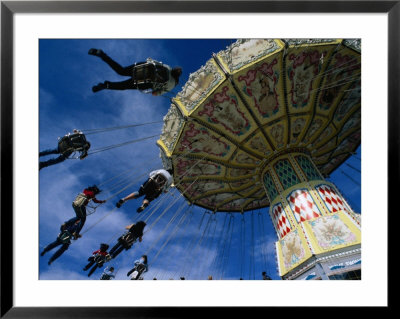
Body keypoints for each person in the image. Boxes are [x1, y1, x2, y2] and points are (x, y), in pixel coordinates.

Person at [88, 48, 182, 96]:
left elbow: (153, 62)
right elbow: (156, 93)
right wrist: (154, 91)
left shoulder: (168, 68)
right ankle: (105, 86)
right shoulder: (172, 84)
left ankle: (102, 55)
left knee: (121, 71)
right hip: (146, 83)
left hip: (142, 67)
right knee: (123, 86)